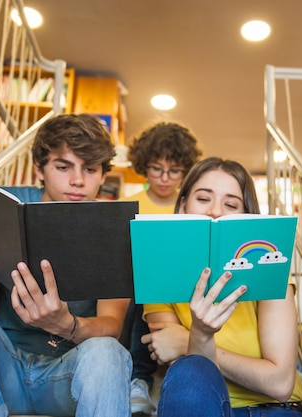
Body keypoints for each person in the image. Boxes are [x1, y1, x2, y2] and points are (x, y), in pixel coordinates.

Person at [0, 114, 132, 417]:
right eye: (63, 167)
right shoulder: (5, 204)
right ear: (39, 169)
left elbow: (112, 325)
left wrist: (66, 325)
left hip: (66, 375)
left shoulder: (114, 223)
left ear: (103, 175)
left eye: (90, 169)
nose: (77, 181)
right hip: (1, 368)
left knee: (107, 351)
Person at [141, 157, 302, 417]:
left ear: (245, 217)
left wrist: (191, 339)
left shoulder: (270, 272)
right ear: (184, 205)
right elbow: (186, 374)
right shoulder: (159, 276)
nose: (215, 211)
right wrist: (201, 332)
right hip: (203, 407)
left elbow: (279, 383)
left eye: (231, 204)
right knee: (188, 372)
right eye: (203, 198)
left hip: (274, 410)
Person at [120, 121, 202, 415]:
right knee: (144, 290)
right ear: (144, 166)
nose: (165, 178)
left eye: (175, 171)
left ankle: (162, 377)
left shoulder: (193, 207)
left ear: (186, 170)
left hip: (185, 288)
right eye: (156, 169)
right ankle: (138, 380)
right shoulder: (128, 205)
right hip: (141, 287)